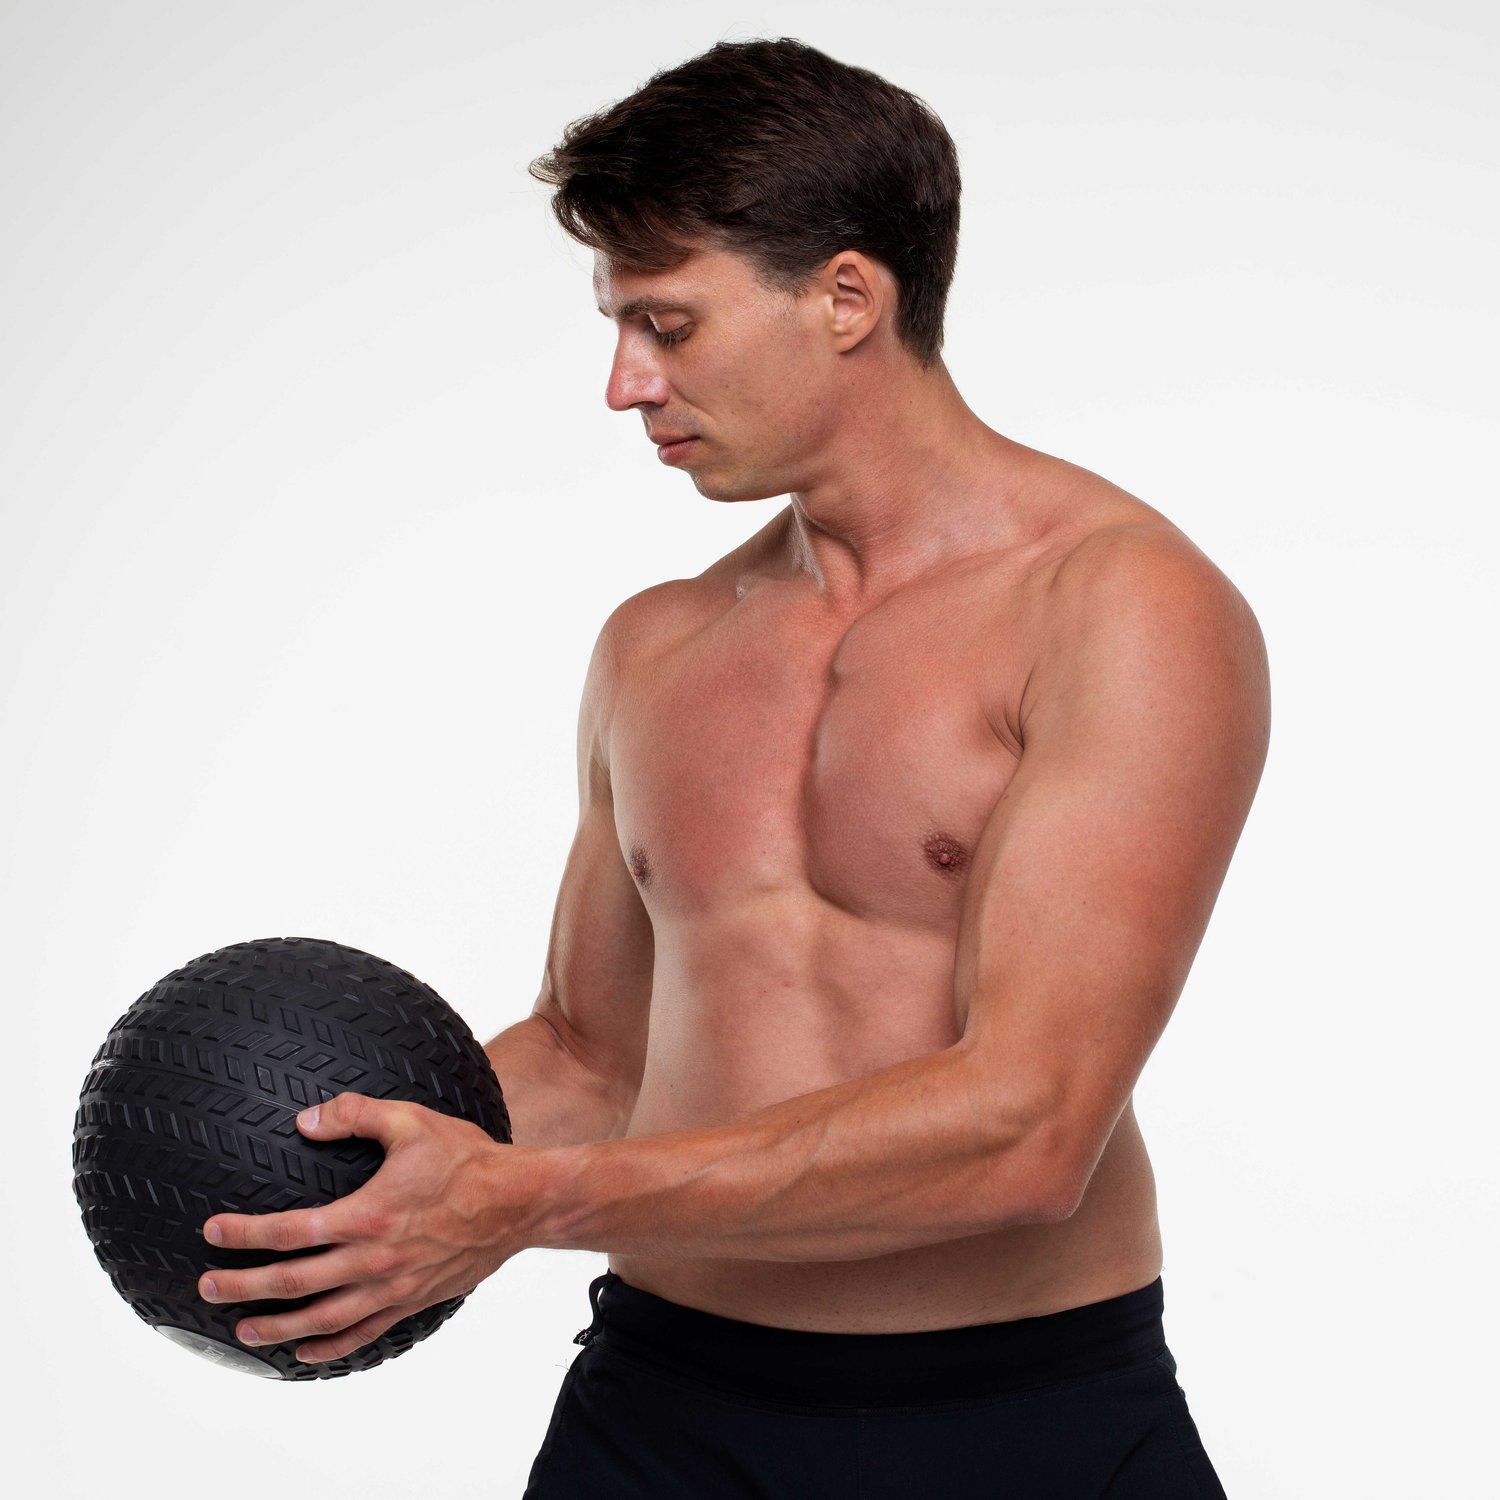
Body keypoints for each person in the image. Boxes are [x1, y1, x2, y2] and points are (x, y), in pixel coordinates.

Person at [198, 36, 1268, 1498]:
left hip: (1021, 1421)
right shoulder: (657, 646)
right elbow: (590, 1058)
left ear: (847, 299)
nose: (624, 384)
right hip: (662, 1409)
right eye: (618, 327)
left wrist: (524, 1205)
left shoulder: (1118, 608)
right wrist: (330, 1195)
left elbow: (1030, 1127)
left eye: (668, 324)